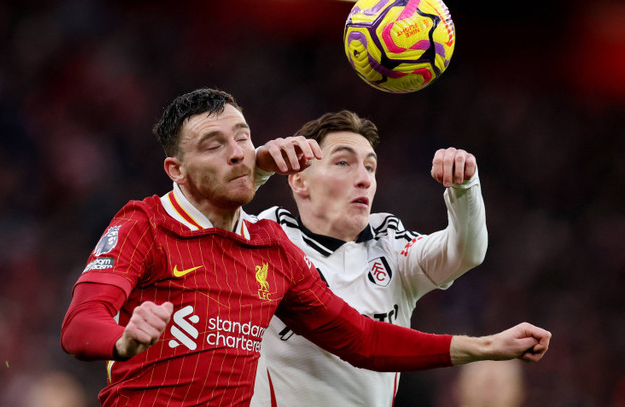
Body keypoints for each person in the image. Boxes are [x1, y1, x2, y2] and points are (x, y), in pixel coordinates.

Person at [60, 88, 551, 406]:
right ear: (175, 170)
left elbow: (362, 339)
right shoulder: (146, 223)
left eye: (243, 138)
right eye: (213, 144)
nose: (235, 151)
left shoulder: (271, 250)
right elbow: (81, 324)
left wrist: (484, 346)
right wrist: (122, 339)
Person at [249, 110, 488, 406]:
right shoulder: (266, 241)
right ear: (299, 181)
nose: (363, 179)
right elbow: (204, 209)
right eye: (343, 163)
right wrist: (257, 168)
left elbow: (466, 252)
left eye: (370, 168)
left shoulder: (392, 247)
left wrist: (466, 187)